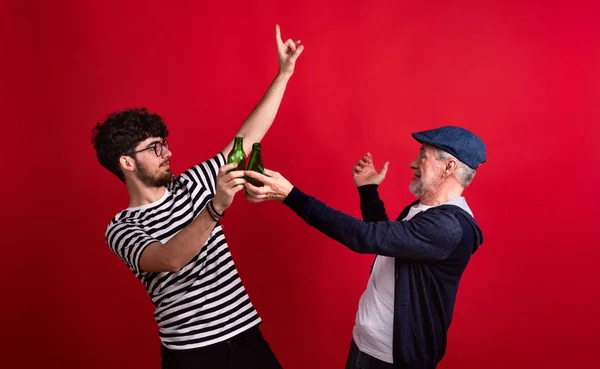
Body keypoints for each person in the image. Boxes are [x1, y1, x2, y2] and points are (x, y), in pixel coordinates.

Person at [91, 25, 303, 369]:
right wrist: (216, 206)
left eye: (165, 143)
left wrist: (284, 74)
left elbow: (246, 140)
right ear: (127, 162)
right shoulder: (121, 228)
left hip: (248, 340)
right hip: (193, 357)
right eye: (155, 147)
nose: (168, 152)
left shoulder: (195, 181)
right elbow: (167, 259)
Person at [244, 126, 486, 369]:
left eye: (423, 155)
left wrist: (291, 196)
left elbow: (364, 237)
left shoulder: (449, 227)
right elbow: (386, 241)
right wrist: (368, 190)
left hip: (394, 360)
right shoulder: (424, 212)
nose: (413, 163)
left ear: (449, 167)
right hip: (367, 345)